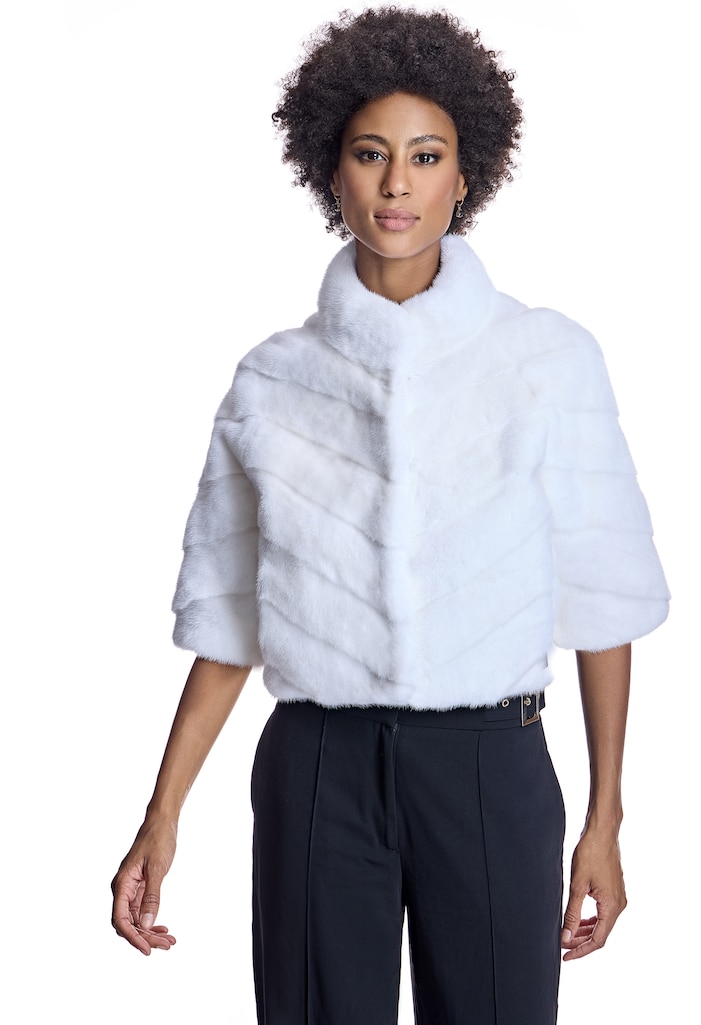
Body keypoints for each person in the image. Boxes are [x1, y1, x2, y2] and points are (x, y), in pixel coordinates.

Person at [111, 8, 670, 1024]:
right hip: (318, 766)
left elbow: (603, 602)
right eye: (371, 154)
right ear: (332, 171)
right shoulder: (272, 381)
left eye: (426, 156)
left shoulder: (547, 360)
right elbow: (229, 623)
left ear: (466, 176)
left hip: (490, 764)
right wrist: (161, 814)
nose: (398, 184)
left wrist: (606, 816)